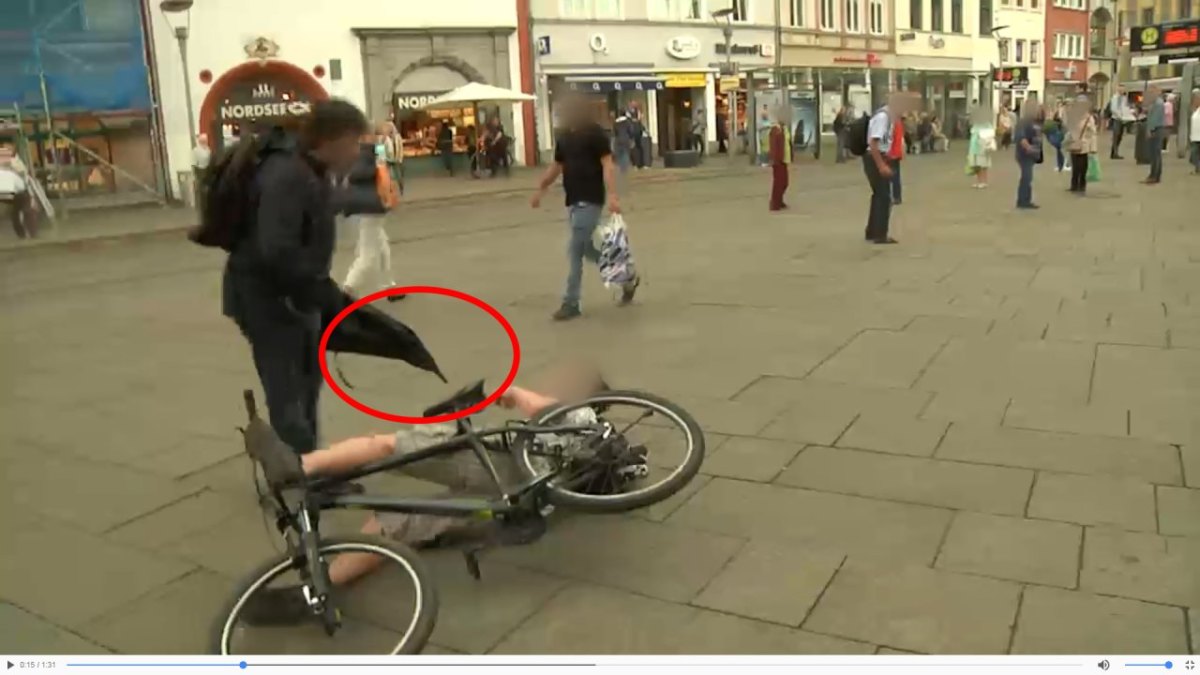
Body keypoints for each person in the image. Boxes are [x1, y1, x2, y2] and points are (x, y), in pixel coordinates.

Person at [239, 361, 611, 625]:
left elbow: (546, 408)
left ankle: (303, 467)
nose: (560, 377)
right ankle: (321, 588)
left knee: (388, 445)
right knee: (395, 522)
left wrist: (515, 392)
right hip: (511, 496)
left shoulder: (579, 416)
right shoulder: (589, 445)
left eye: (570, 377)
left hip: (494, 465)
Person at [222, 99, 369, 456]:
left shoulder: (310, 170)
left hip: (296, 299)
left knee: (307, 387)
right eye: (355, 142)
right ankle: (301, 481)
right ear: (332, 139)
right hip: (269, 302)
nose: (358, 152)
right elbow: (277, 249)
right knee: (288, 392)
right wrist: (322, 290)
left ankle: (311, 466)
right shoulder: (287, 174)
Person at [530, 93, 638, 321]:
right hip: (572, 201)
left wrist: (613, 196)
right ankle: (626, 277)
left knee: (575, 250)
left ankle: (571, 302)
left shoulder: (595, 133)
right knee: (587, 249)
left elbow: (608, 165)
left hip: (590, 199)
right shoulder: (565, 138)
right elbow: (556, 166)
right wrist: (540, 188)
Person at [342, 131, 404, 301]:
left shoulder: (357, 154)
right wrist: (388, 196)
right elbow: (381, 173)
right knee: (368, 254)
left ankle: (388, 287)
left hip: (364, 206)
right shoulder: (374, 152)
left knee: (382, 248)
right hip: (372, 207)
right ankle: (348, 290)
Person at [863, 93, 905, 245]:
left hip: (878, 156)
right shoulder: (883, 117)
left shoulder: (889, 117)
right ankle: (880, 234)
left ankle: (872, 231)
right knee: (884, 197)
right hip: (876, 157)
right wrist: (881, 165)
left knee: (878, 195)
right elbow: (874, 142)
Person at [0, 144, 37, 239]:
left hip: (21, 190)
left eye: (8, 149)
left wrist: (11, 167)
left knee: (27, 211)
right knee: (15, 214)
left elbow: (23, 172)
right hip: (9, 191)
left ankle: (30, 233)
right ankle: (22, 234)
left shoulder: (16, 161)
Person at [1014, 96, 1043, 209]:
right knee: (1026, 177)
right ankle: (1023, 201)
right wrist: (1028, 148)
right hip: (1024, 154)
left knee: (1028, 177)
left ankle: (1026, 199)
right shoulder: (1024, 121)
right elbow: (1021, 137)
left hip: (1031, 154)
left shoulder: (1034, 121)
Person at [1064, 96, 1098, 195]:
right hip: (1074, 142)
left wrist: (1093, 148)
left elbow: (1093, 133)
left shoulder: (1089, 118)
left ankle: (1082, 185)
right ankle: (1074, 185)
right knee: (1075, 165)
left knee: (1083, 166)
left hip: (1085, 144)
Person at [768, 106, 792, 211]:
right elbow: (773, 146)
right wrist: (774, 159)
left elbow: (788, 143)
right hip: (778, 160)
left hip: (784, 159)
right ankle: (775, 203)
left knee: (785, 182)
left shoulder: (784, 128)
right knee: (778, 182)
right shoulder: (775, 129)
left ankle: (779, 200)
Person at [966, 107, 996, 189]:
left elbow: (990, 135)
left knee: (983, 166)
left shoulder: (987, 124)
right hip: (974, 149)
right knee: (977, 166)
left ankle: (984, 181)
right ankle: (979, 181)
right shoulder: (975, 125)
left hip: (982, 148)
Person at [1144, 87, 1166, 185]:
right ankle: (1154, 175)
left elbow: (1154, 119)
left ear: (1157, 92)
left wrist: (1150, 129)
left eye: (1152, 92)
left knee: (1155, 154)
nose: (1150, 95)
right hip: (1156, 129)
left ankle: (1154, 176)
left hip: (1156, 130)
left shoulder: (1158, 104)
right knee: (1155, 154)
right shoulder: (1155, 103)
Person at [1107, 86, 1133, 159]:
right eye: (1121, 89)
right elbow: (1113, 109)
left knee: (1120, 136)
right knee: (1116, 135)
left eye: (1123, 89)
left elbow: (1126, 107)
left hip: (1123, 119)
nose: (1122, 91)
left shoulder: (1124, 98)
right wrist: (1119, 115)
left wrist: (1128, 113)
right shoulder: (1114, 98)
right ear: (1118, 90)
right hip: (1116, 119)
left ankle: (1114, 152)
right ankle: (1114, 153)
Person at [888, 103, 906, 206]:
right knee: (896, 176)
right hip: (897, 152)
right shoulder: (898, 123)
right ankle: (897, 196)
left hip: (892, 153)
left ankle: (894, 197)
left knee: (892, 177)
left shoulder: (892, 124)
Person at [381, 121, 404, 196]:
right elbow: (382, 148)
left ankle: (401, 188)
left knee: (398, 175)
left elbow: (401, 148)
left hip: (396, 159)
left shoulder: (397, 137)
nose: (389, 129)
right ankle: (389, 190)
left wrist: (400, 158)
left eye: (390, 127)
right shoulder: (385, 137)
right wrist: (383, 159)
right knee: (388, 176)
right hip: (388, 159)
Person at [192, 133, 212, 207]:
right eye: (203, 140)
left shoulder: (208, 149)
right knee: (200, 189)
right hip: (199, 170)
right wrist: (195, 175)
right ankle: (200, 204)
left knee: (207, 189)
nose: (205, 141)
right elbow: (194, 163)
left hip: (207, 170)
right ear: (200, 141)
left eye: (205, 140)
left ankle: (207, 203)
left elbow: (210, 160)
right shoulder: (196, 150)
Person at [1190, 89, 1200, 175]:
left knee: (1195, 154)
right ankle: (1197, 169)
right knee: (1194, 155)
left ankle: (1198, 169)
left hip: (1198, 136)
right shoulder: (1195, 110)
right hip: (1194, 136)